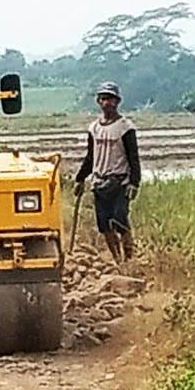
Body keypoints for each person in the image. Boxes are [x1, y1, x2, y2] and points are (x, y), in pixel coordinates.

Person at [74, 81, 143, 267]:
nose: (107, 103)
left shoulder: (125, 127)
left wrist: (134, 183)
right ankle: (118, 259)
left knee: (120, 221)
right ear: (98, 101)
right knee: (104, 226)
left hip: (119, 182)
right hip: (99, 182)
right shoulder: (94, 128)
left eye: (111, 99)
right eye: (104, 99)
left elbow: (133, 158)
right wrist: (80, 179)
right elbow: (90, 157)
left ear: (117, 102)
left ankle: (129, 259)